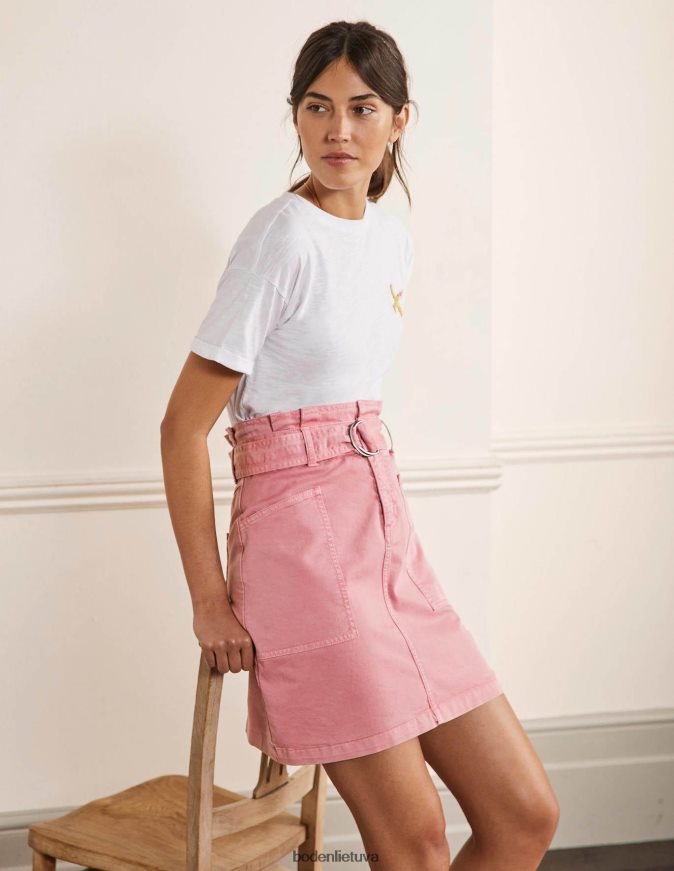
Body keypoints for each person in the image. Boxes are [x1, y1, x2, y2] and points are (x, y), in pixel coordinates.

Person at [160, 19, 559, 871]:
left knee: (525, 812)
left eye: (362, 108)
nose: (338, 130)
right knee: (414, 842)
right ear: (295, 117)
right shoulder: (280, 238)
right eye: (317, 107)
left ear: (399, 120)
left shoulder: (390, 237)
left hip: (384, 534)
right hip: (301, 552)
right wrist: (208, 599)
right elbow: (182, 427)